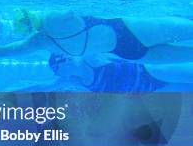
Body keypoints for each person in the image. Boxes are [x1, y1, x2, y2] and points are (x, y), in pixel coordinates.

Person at [0, 9, 193, 64]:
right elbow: (4, 52)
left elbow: (5, 52)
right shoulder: (39, 39)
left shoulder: (48, 25)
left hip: (132, 34)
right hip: (129, 48)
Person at [43, 54, 193, 92]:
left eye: (62, 55)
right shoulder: (72, 80)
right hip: (150, 90)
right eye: (59, 60)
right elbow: (45, 87)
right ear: (59, 71)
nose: (64, 58)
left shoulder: (89, 57)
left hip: (151, 71)